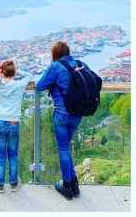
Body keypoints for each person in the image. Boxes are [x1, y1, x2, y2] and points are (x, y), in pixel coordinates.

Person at [36, 41, 89, 200]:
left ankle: (67, 186)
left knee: (63, 149)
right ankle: (74, 184)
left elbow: (40, 85)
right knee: (66, 148)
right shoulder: (81, 64)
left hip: (61, 114)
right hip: (77, 114)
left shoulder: (56, 67)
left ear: (55, 54)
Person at [0, 60, 33, 193]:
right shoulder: (19, 85)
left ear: (2, 73)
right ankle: (13, 182)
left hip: (0, 122)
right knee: (13, 155)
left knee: (0, 156)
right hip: (13, 123)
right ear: (14, 72)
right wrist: (17, 72)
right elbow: (29, 76)